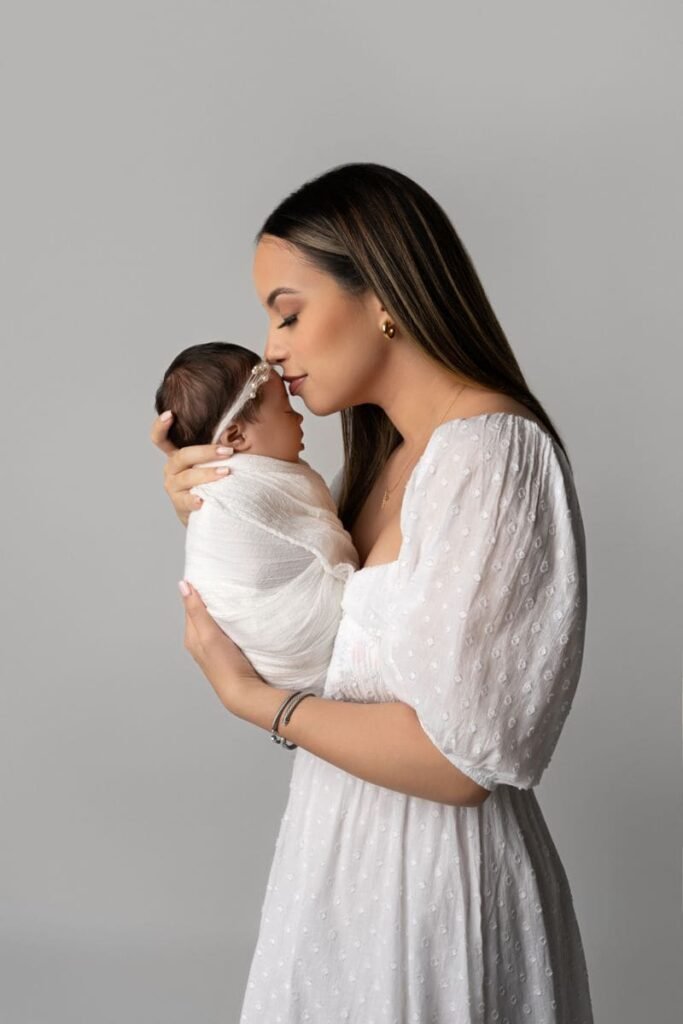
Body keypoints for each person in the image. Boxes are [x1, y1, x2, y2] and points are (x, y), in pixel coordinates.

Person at [150, 162, 594, 1022]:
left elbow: (458, 765)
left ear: (383, 295)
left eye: (287, 313)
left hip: (436, 890)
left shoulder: (488, 455)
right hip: (336, 865)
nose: (271, 350)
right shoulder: (380, 464)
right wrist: (222, 510)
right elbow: (327, 654)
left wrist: (254, 703)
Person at [153, 341, 358, 696]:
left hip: (284, 688)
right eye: (287, 410)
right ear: (235, 435)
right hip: (281, 642)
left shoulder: (249, 484)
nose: (299, 418)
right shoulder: (226, 490)